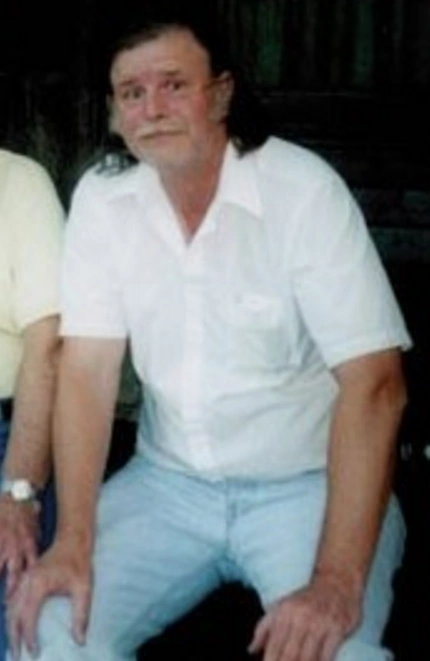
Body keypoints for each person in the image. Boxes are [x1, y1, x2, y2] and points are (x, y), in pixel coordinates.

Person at [6, 7, 411, 661]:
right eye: (132, 93)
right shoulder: (104, 201)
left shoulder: (302, 191)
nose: (153, 109)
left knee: (334, 649)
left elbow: (377, 385)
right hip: (166, 484)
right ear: (113, 114)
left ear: (222, 93)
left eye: (174, 85)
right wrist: (73, 539)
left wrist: (336, 579)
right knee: (47, 622)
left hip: (310, 483)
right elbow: (85, 374)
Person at [0, 149, 64, 660]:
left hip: (6, 437)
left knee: (20, 634)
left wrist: (18, 491)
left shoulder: (18, 184)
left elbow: (50, 345)